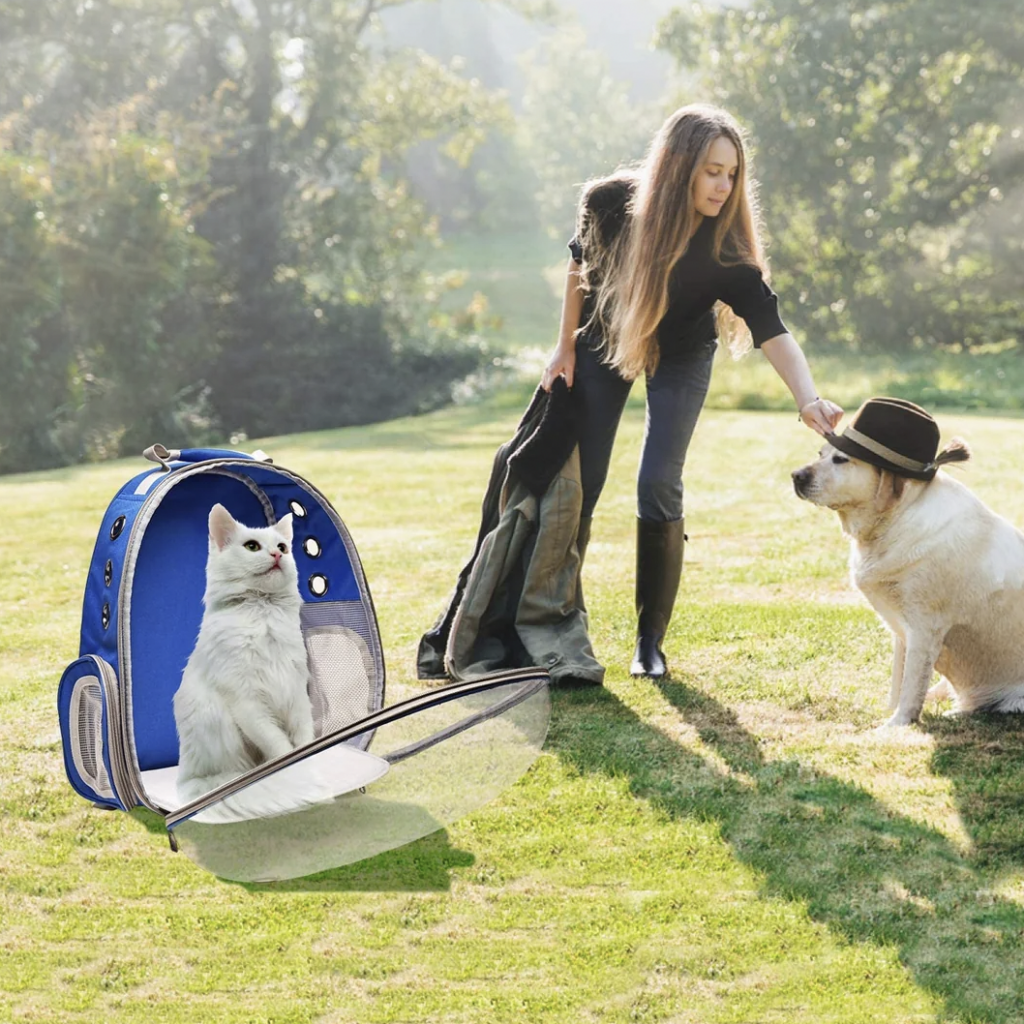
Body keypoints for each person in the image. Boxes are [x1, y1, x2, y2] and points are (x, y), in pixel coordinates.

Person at [540, 103, 843, 679]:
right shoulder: (611, 204)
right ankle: (559, 624)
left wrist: (808, 399)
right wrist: (564, 346)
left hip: (683, 352)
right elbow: (579, 267)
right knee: (585, 480)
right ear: (679, 167)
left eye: (731, 174)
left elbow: (774, 332)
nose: (723, 186)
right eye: (712, 171)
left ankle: (649, 642)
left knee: (658, 479)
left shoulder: (727, 253)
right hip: (609, 337)